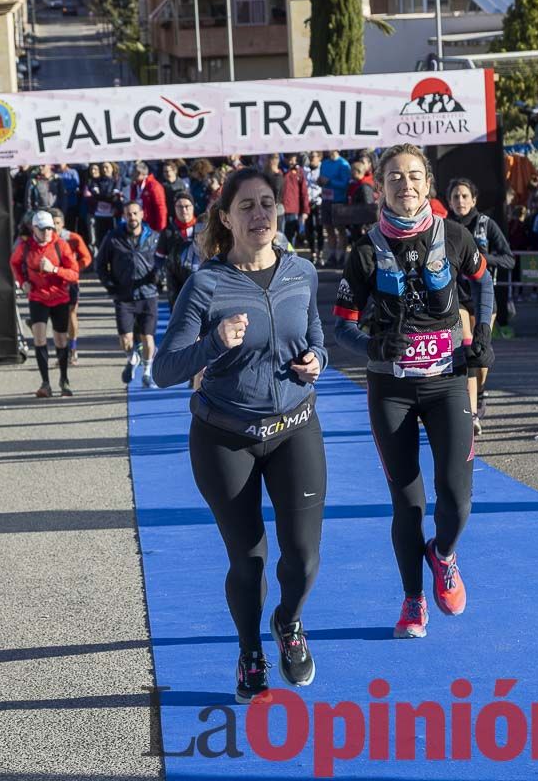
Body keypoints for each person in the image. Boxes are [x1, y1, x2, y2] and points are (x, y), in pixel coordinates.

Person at [153, 167, 327, 704]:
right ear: (226, 218)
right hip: (225, 437)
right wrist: (213, 345)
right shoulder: (206, 284)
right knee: (248, 557)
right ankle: (250, 651)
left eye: (268, 204)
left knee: (303, 558)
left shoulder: (302, 272)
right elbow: (165, 369)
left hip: (295, 426)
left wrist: (316, 359)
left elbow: (314, 333)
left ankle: (288, 623)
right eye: (246, 206)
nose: (259, 215)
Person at [333, 143, 494, 640]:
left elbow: (484, 280)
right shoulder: (364, 252)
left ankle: (443, 555)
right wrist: (373, 342)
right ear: (380, 187)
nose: (406, 185)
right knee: (408, 503)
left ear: (429, 184)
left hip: (447, 382)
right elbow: (341, 327)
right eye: (395, 178)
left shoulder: (457, 235)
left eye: (414, 176)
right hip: (392, 389)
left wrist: (482, 329)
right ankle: (412, 600)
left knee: (458, 499)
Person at [445, 178, 513, 433]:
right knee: (467, 349)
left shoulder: (486, 224)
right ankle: (471, 415)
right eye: (455, 197)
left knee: (481, 357)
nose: (460, 201)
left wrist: (483, 260)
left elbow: (509, 259)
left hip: (484, 299)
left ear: (474, 200)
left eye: (464, 196)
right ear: (449, 201)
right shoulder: (445, 228)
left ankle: (481, 390)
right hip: (459, 298)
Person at [10, 210, 80, 397]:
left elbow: (74, 274)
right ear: (34, 228)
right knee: (39, 338)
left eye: (50, 228)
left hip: (59, 298)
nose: (47, 232)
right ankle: (45, 383)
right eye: (43, 229)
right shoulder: (25, 247)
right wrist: (22, 281)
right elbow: (14, 263)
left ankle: (64, 380)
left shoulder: (61, 245)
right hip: (37, 297)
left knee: (60, 340)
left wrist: (55, 269)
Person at [96, 201, 163, 387]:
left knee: (148, 338)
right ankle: (132, 358)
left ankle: (147, 372)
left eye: (135, 213)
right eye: (128, 214)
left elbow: (161, 261)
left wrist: (159, 278)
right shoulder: (113, 237)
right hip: (124, 296)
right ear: (123, 216)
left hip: (148, 294)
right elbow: (100, 264)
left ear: (142, 214)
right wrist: (110, 286)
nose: (132, 217)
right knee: (125, 339)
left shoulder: (154, 237)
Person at [50, 207, 92, 365]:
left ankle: (73, 351)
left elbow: (87, 258)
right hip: (51, 284)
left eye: (57, 223)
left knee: (71, 313)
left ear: (63, 224)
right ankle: (62, 353)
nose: (54, 227)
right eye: (51, 223)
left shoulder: (73, 238)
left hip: (70, 282)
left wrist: (74, 269)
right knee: (56, 318)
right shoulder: (44, 239)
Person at [157, 192, 202, 311]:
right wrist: (161, 276)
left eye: (187, 206)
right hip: (176, 284)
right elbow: (159, 258)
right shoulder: (168, 232)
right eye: (180, 207)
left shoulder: (203, 228)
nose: (184, 210)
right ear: (174, 209)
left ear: (193, 207)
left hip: (199, 281)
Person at [129, 161, 168, 233]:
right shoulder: (135, 186)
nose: (132, 175)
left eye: (133, 173)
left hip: (151, 225)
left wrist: (161, 228)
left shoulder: (154, 186)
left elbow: (161, 207)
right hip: (139, 224)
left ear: (139, 173)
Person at [280, 154, 310, 249]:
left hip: (292, 209)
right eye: (291, 159)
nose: (293, 162)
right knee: (279, 236)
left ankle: (290, 256)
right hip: (280, 208)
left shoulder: (299, 172)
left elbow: (304, 192)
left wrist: (305, 210)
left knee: (290, 236)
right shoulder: (279, 170)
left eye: (294, 160)